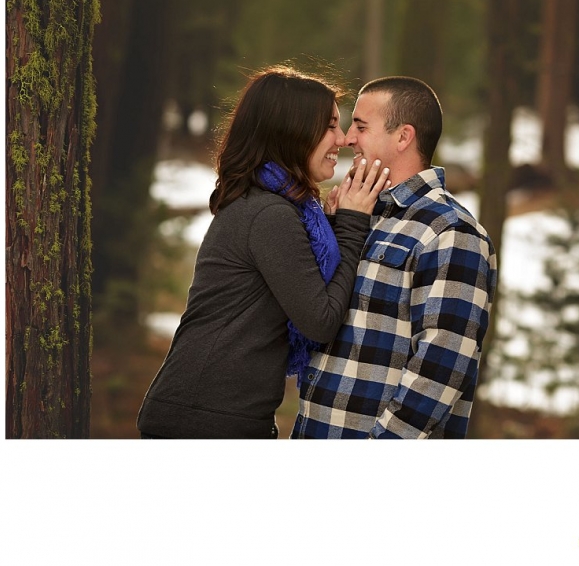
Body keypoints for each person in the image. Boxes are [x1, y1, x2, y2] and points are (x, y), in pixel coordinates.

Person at [136, 65, 391, 439]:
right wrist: (352, 227)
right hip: (205, 419)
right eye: (330, 125)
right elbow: (319, 319)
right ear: (293, 132)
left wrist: (337, 228)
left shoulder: (272, 206)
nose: (341, 139)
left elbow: (298, 279)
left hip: (216, 413)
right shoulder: (269, 214)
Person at [292, 76, 498, 439]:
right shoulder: (359, 215)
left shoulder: (450, 231)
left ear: (403, 137)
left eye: (360, 126)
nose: (347, 138)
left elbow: (441, 367)